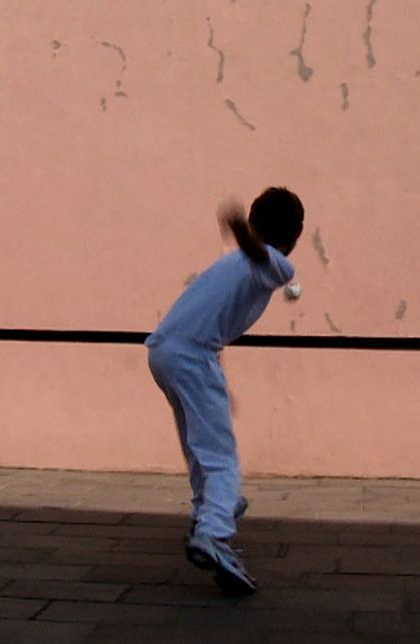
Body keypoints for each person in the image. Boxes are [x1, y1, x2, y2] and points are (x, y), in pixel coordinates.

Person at [146, 187, 304, 595]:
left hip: (166, 351)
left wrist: (213, 382)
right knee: (220, 457)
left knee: (199, 445)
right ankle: (213, 532)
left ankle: (206, 512)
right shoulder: (276, 264)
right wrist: (242, 231)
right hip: (191, 357)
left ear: (254, 223)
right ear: (293, 238)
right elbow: (260, 254)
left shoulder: (231, 263)